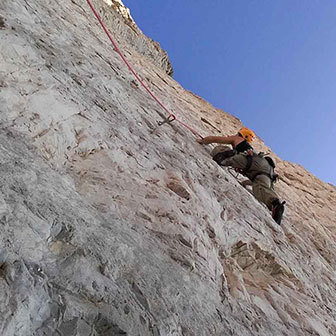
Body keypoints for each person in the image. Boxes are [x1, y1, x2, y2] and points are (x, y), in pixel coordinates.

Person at [198, 127, 285, 224]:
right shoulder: (247, 146)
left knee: (219, 156)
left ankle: (229, 154)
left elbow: (215, 139)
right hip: (266, 169)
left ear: (241, 134)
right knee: (261, 188)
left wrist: (202, 141)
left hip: (248, 159)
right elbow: (253, 179)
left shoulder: (237, 139)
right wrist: (244, 183)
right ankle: (275, 205)